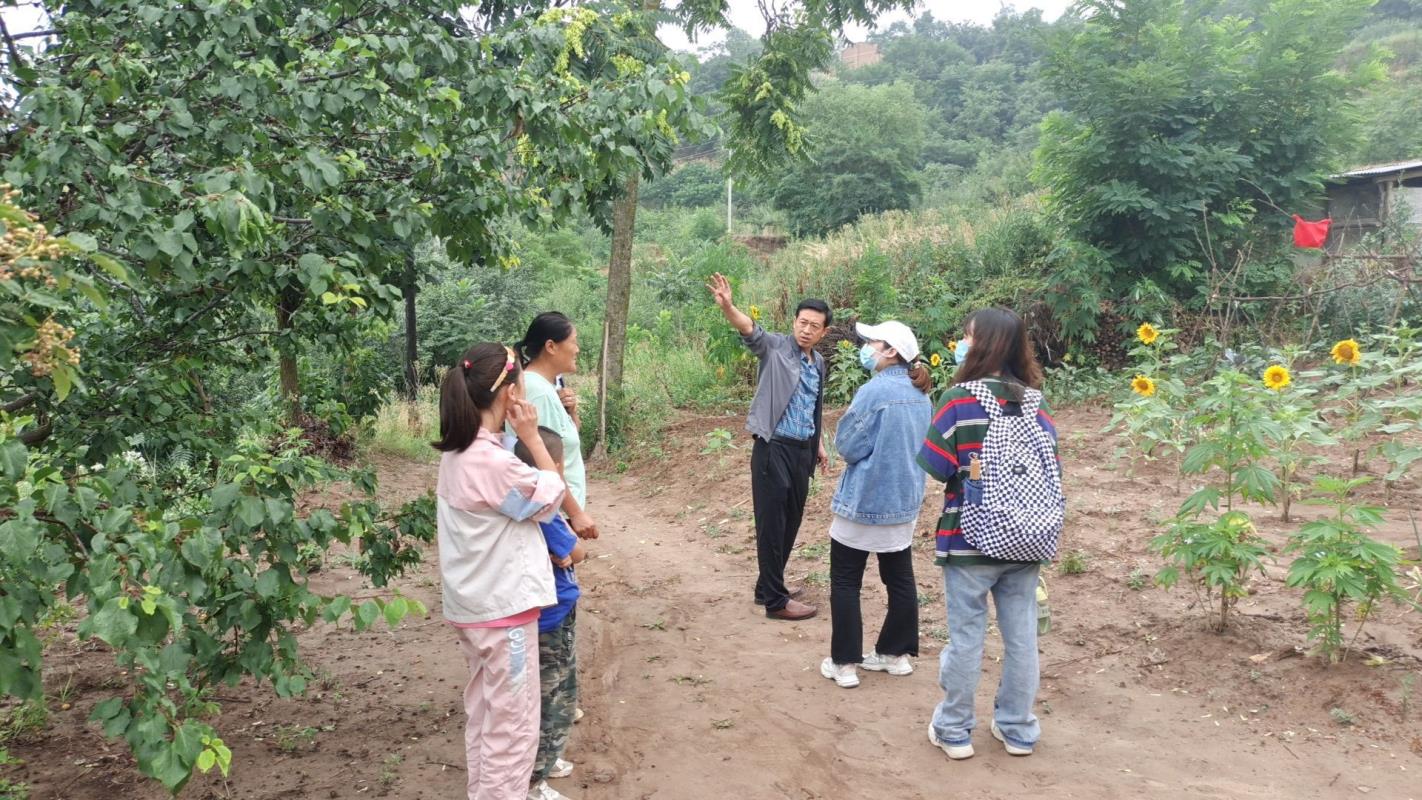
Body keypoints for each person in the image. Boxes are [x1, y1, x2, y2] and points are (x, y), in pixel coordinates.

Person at [917, 308, 1059, 760]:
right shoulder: (1035, 402)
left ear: (981, 345)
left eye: (966, 337)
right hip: (1027, 539)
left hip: (969, 540)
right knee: (1022, 640)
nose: (961, 343)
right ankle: (1018, 728)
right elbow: (1052, 468)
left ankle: (955, 729)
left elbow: (936, 465)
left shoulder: (958, 400)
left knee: (966, 638)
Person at [433, 343, 566, 800]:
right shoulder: (491, 463)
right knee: (513, 729)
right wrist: (532, 438)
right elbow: (549, 498)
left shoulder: (461, 453)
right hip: (503, 614)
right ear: (509, 394)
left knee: (487, 716)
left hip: (474, 610)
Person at [707, 273, 830, 621]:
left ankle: (767, 586)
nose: (806, 330)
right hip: (773, 447)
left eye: (814, 326)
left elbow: (811, 405)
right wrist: (729, 307)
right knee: (771, 524)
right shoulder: (775, 347)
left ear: (823, 332)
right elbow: (750, 330)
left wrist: (818, 443)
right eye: (802, 322)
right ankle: (775, 602)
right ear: (794, 322)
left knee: (791, 520)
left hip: (802, 451)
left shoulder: (818, 362)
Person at [819, 321, 933, 689]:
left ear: (891, 351)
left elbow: (848, 446)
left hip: (865, 498)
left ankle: (844, 663)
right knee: (899, 577)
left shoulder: (874, 391)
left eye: (873, 341)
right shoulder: (921, 394)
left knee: (846, 579)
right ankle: (895, 655)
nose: (866, 347)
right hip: (904, 499)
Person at [513, 427, 586, 800]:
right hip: (552, 617)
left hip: (550, 613)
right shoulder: (547, 513)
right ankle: (534, 779)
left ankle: (547, 759)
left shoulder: (521, 505)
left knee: (557, 692)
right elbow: (577, 551)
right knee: (553, 697)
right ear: (555, 468)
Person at [515, 312, 597, 540]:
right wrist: (576, 513)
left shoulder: (547, 388)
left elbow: (563, 441)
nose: (577, 349)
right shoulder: (538, 392)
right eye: (574, 342)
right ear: (551, 346)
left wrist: (572, 412)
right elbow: (544, 462)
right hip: (553, 515)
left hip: (555, 513)